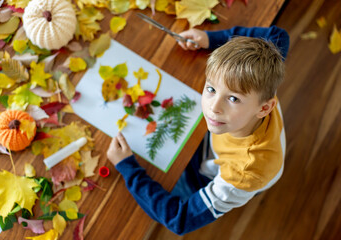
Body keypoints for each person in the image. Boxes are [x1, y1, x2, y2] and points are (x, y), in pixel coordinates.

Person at [106, 26, 290, 235]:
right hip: (221, 147)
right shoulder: (264, 74)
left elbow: (179, 219)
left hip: (219, 175)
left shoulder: (243, 174)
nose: (213, 107)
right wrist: (210, 39)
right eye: (211, 89)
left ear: (265, 107)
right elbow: (278, 36)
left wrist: (128, 168)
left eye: (233, 98)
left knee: (172, 185)